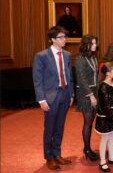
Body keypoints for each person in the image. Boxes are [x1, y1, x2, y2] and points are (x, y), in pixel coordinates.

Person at [32, 26, 74, 171]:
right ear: (52, 39)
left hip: (65, 94)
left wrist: (71, 94)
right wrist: (41, 100)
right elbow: (37, 80)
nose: (64, 40)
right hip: (50, 97)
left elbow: (70, 76)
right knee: (49, 128)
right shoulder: (41, 56)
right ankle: (49, 157)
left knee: (60, 127)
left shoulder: (67, 55)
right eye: (61, 37)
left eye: (65, 37)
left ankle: (57, 154)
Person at [95, 62, 113, 172]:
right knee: (105, 138)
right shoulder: (103, 87)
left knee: (112, 137)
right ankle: (102, 161)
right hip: (105, 118)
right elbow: (106, 107)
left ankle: (111, 158)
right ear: (108, 73)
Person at [75, 35, 99, 161]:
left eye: (95, 43)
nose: (95, 45)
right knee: (88, 122)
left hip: (94, 90)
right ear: (87, 44)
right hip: (85, 93)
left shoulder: (93, 57)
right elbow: (81, 78)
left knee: (91, 123)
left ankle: (87, 147)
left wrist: (98, 93)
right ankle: (87, 149)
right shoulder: (80, 58)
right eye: (93, 43)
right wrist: (91, 96)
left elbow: (96, 76)